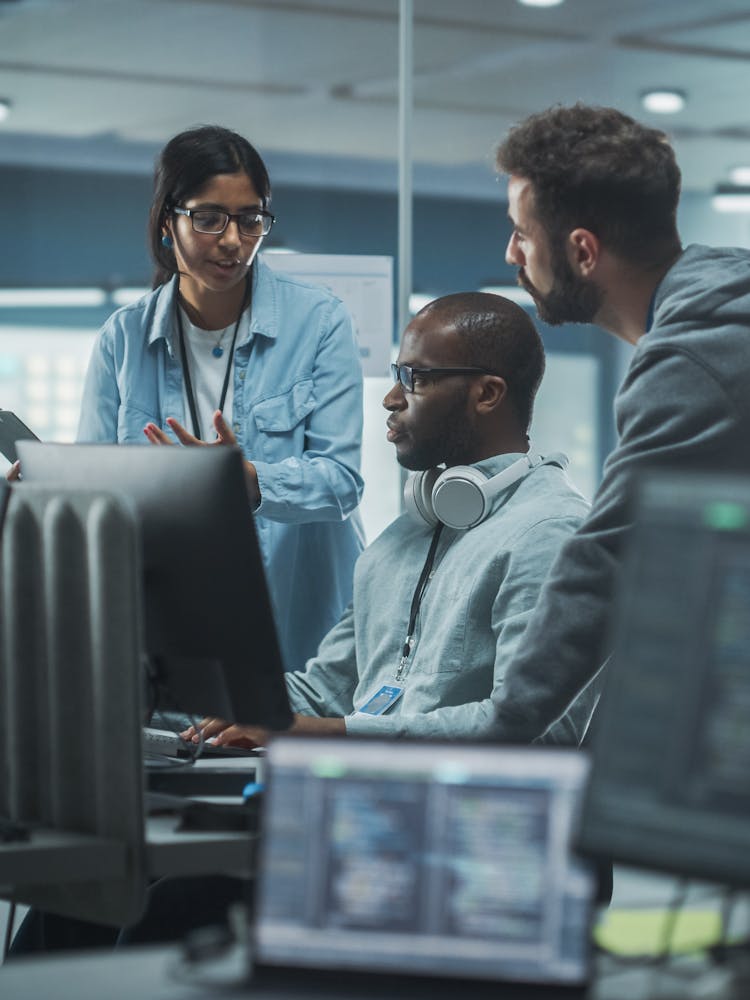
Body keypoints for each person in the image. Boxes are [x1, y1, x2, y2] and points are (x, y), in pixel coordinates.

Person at [187, 290, 594, 750]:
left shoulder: (550, 533)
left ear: (487, 394)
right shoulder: (403, 537)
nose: (390, 397)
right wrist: (211, 701)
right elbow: (324, 694)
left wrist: (325, 731)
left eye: (414, 378)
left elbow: (540, 729)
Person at [487, 102, 750, 743]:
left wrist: (496, 740)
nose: (510, 253)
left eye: (523, 232)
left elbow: (605, 561)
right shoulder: (722, 300)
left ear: (582, 250)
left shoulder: (693, 356)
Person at [79, 124, 364, 669]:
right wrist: (50, 495)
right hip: (170, 631)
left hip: (298, 636)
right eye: (209, 218)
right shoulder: (122, 338)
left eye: (251, 219)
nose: (233, 240)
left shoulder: (320, 321)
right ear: (169, 222)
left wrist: (249, 481)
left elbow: (342, 484)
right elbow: (99, 492)